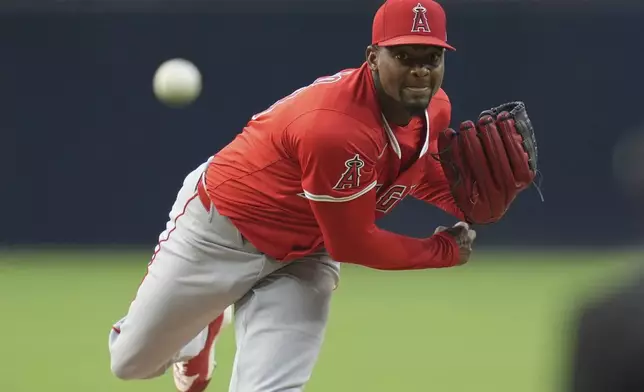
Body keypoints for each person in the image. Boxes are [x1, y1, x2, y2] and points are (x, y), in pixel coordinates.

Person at [108, 0, 536, 391]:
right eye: (404, 56)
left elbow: (406, 173)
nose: (421, 70)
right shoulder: (334, 128)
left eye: (432, 57)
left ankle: (204, 316)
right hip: (222, 230)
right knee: (131, 364)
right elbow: (352, 242)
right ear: (372, 58)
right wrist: (443, 250)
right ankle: (197, 333)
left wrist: (466, 203)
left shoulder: (434, 108)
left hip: (304, 256)